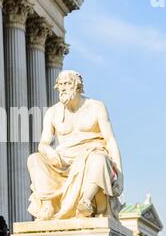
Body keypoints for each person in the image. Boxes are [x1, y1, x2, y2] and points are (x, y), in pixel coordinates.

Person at [27, 70, 124, 221]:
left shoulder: (96, 107)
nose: (62, 88)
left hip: (91, 153)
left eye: (66, 84)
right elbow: (43, 143)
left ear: (77, 86)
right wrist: (48, 151)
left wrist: (120, 174)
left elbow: (110, 139)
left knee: (98, 159)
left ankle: (85, 200)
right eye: (60, 85)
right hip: (63, 159)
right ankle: (48, 205)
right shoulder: (52, 112)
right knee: (34, 159)